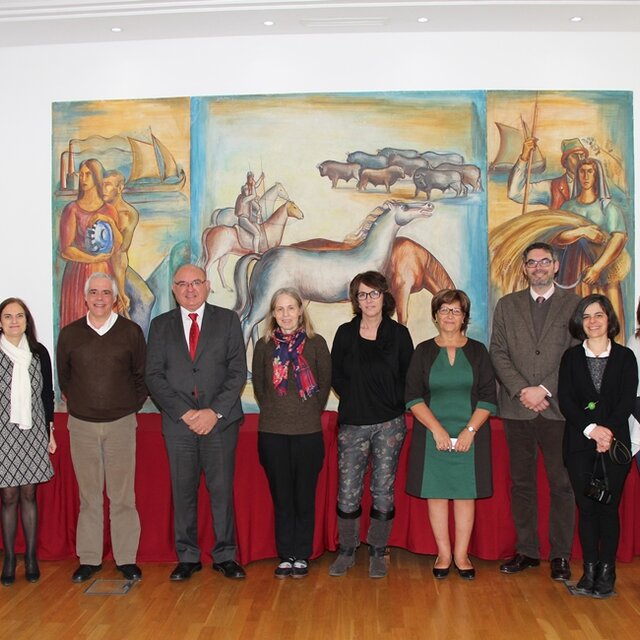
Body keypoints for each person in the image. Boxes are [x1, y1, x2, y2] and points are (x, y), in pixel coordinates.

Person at [145, 264, 247, 582]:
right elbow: (153, 376)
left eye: (196, 282)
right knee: (183, 492)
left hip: (220, 423)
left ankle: (225, 555)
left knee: (221, 492)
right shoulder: (160, 326)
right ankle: (187, 557)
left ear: (207, 285)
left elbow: (237, 372)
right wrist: (185, 413)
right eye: (183, 284)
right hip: (179, 425)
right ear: (174, 289)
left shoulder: (227, 320)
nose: (190, 289)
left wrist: (213, 412)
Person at [490, 242, 579, 581]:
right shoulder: (507, 305)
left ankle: (560, 555)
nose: (538, 267)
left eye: (545, 261)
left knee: (562, 484)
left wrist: (544, 389)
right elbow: (498, 352)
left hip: (558, 411)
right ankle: (527, 550)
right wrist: (522, 389)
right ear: (524, 269)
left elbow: (577, 352)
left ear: (556, 266)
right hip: (517, 409)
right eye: (532, 262)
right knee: (522, 484)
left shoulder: (575, 305)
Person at [56, 272, 147, 583]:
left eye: (106, 293)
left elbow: (141, 376)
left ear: (115, 298)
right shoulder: (70, 334)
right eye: (94, 292)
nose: (99, 298)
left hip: (121, 424)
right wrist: (84, 404)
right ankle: (90, 558)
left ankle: (126, 558)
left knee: (123, 496)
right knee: (89, 496)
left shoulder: (131, 332)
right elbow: (65, 378)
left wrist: (125, 407)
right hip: (81, 425)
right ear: (85, 297)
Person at [405, 289, 496, 580]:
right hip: (432, 435)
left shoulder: (478, 351)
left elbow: (488, 397)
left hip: (472, 435)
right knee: (437, 493)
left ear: (464, 317)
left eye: (456, 311)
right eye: (444, 310)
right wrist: (437, 430)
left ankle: (461, 555)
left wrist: (469, 431)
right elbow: (412, 396)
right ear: (435, 316)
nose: (449, 316)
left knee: (465, 494)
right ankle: (444, 554)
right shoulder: (423, 351)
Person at [330, 271, 413, 579]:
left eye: (374, 293)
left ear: (384, 296)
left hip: (389, 424)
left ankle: (378, 550)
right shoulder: (344, 333)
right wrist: (355, 398)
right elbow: (336, 376)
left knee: (382, 489)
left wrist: (391, 402)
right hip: (353, 424)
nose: (369, 300)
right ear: (356, 300)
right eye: (362, 295)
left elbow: (408, 376)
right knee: (348, 491)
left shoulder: (399, 334)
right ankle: (347, 549)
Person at [558, 294, 637, 598]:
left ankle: (607, 571)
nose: (592, 321)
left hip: (614, 447)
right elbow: (566, 400)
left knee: (608, 509)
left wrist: (606, 433)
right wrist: (591, 430)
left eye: (599, 315)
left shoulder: (626, 357)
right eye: (586, 316)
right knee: (587, 508)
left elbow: (626, 400)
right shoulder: (571, 358)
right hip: (579, 445)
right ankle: (589, 570)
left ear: (609, 320)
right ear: (580, 322)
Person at [252, 288, 331, 579]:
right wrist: (278, 412)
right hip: (273, 433)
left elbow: (324, 385)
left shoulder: (316, 343)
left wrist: (305, 413)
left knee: (304, 496)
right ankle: (286, 555)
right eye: (279, 309)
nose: (285, 314)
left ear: (300, 311)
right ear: (273, 314)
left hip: (307, 432)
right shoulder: (263, 346)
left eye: (290, 308)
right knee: (282, 497)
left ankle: (302, 555)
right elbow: (261, 388)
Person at [0, 298, 56, 586]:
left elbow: (47, 394)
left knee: (29, 495)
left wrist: (50, 431)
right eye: (8, 316)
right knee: (9, 496)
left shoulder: (39, 352)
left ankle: (31, 558)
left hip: (33, 432)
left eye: (19, 316)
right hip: (3, 434)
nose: (14, 321)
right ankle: (10, 559)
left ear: (27, 321)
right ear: (0, 322)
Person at [558, 158, 629, 339]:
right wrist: (582, 231)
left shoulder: (608, 208)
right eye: (582, 171)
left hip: (603, 275)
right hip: (574, 273)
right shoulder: (568, 207)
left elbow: (618, 239)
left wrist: (597, 268)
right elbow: (558, 237)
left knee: (606, 324)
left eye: (590, 171)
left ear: (597, 176)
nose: (586, 176)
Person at [58, 158, 122, 328]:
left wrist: (109, 221)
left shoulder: (109, 210)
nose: (83, 179)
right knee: (78, 325)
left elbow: (117, 245)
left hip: (104, 272)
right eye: (81, 175)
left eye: (88, 174)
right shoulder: (72, 209)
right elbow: (66, 250)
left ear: (97, 177)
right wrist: (93, 259)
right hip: (78, 274)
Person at [508, 137, 589, 209]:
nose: (580, 160)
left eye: (582, 156)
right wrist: (524, 157)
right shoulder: (551, 187)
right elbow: (515, 193)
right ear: (565, 162)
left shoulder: (594, 185)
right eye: (575, 156)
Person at [102, 170, 139, 317]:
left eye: (108, 185)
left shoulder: (129, 213)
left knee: (146, 299)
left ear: (120, 188)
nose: (103, 189)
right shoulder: (98, 210)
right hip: (99, 265)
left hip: (119, 266)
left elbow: (122, 247)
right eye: (101, 184)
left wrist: (121, 289)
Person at [234, 184, 263, 253]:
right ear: (243, 191)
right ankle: (256, 252)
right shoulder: (243, 199)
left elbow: (257, 207)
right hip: (243, 220)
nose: (248, 191)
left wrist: (258, 212)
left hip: (247, 219)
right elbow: (253, 195)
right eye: (246, 189)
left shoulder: (248, 200)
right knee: (257, 234)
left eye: (248, 190)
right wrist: (253, 186)